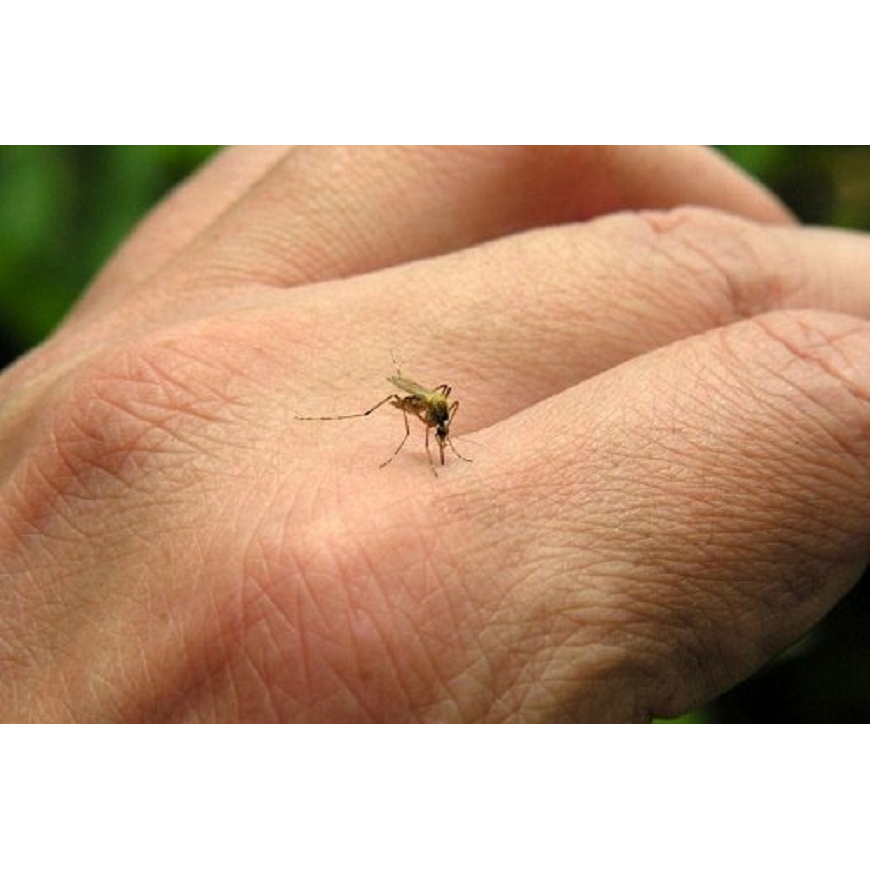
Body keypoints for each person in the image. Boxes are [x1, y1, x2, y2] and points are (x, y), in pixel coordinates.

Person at [1, 145, 868, 722]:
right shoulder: (413, 409)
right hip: (392, 396)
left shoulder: (442, 409)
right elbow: (414, 405)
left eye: (439, 421)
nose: (437, 425)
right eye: (438, 422)